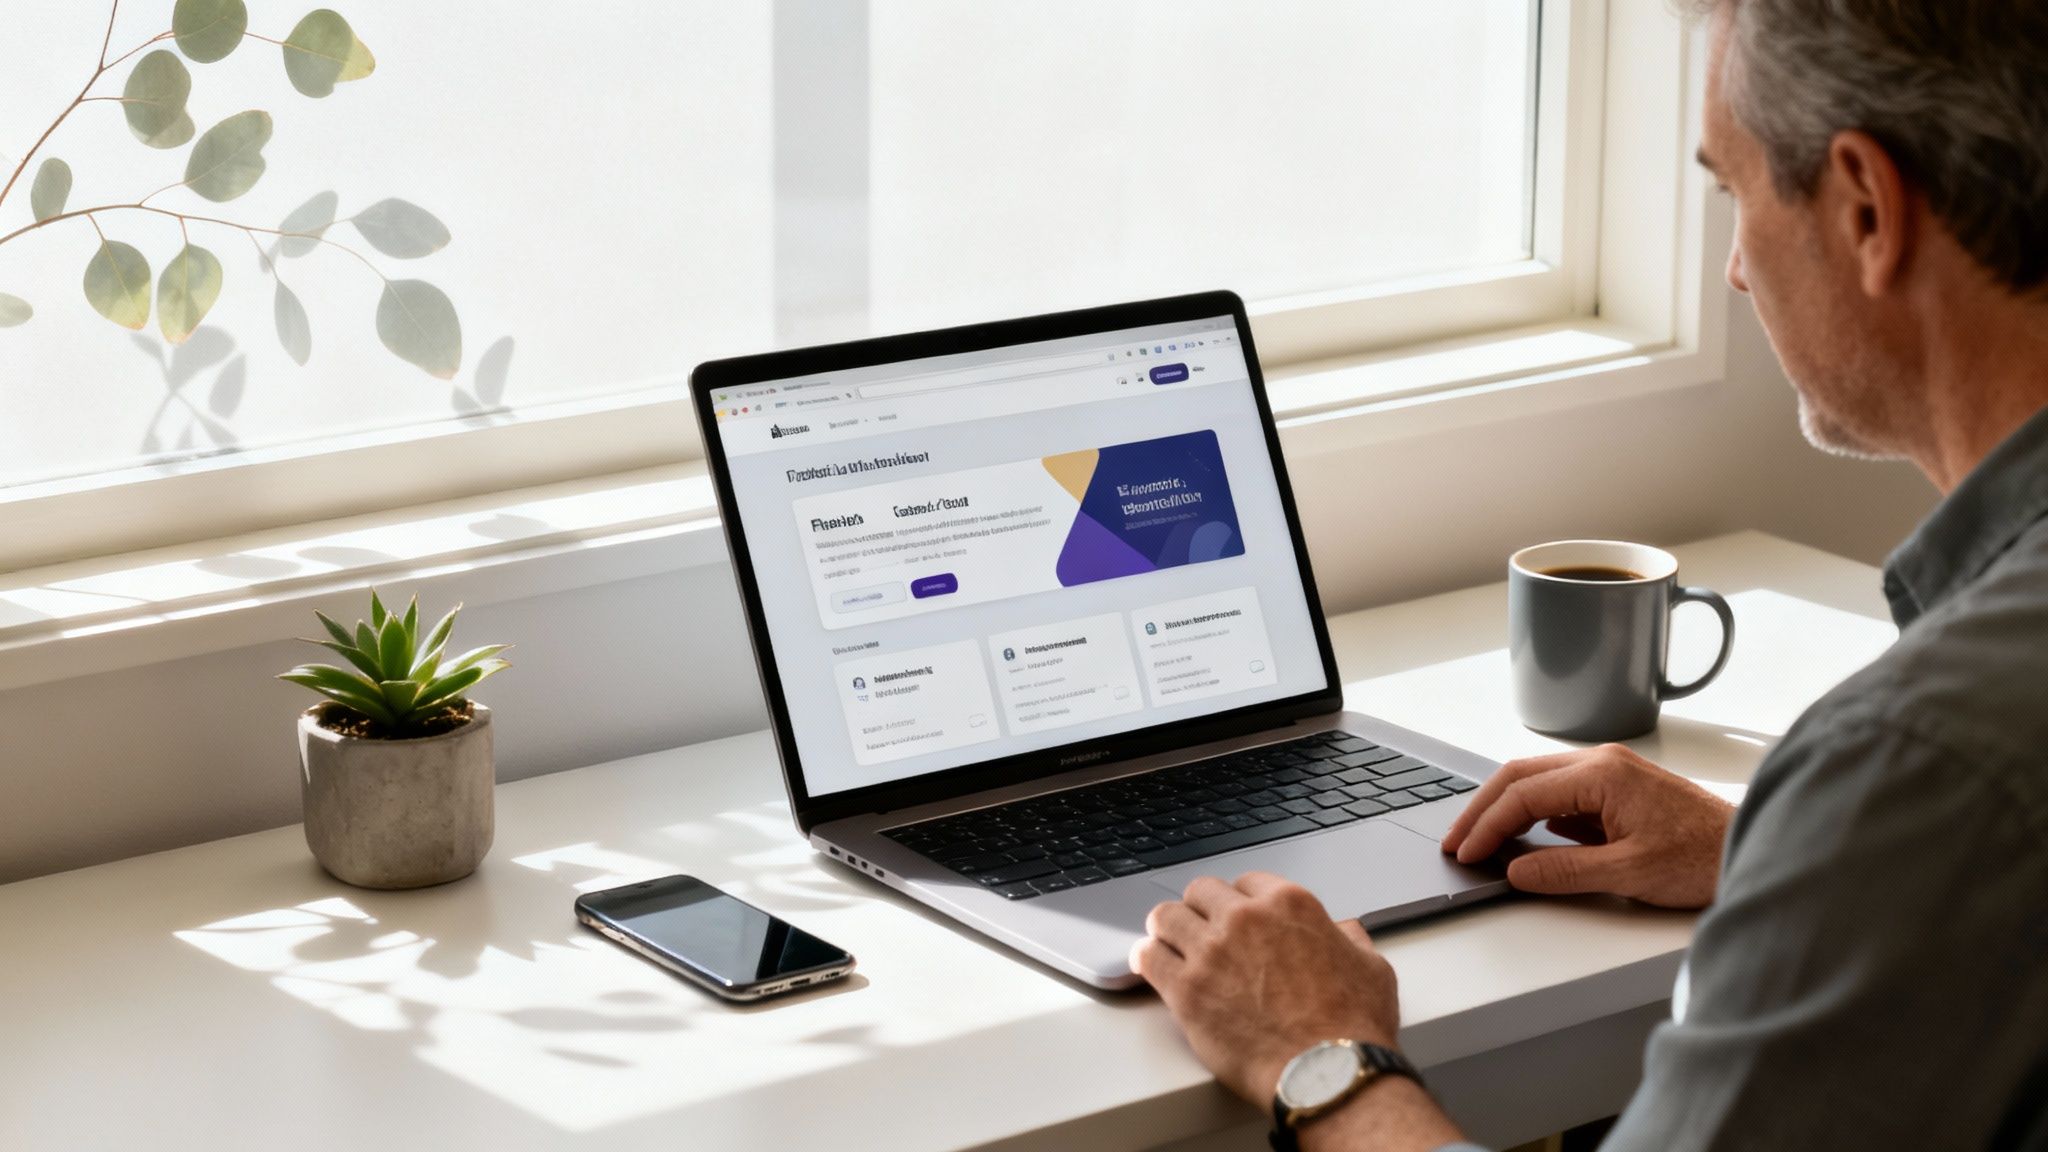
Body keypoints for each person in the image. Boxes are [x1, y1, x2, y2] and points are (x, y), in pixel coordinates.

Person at [1131, 1, 2048, 1148]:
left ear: (1866, 207)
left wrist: (1315, 1050)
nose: (1731, 272)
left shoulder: (1921, 755)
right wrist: (1777, 849)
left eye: (1734, 194)